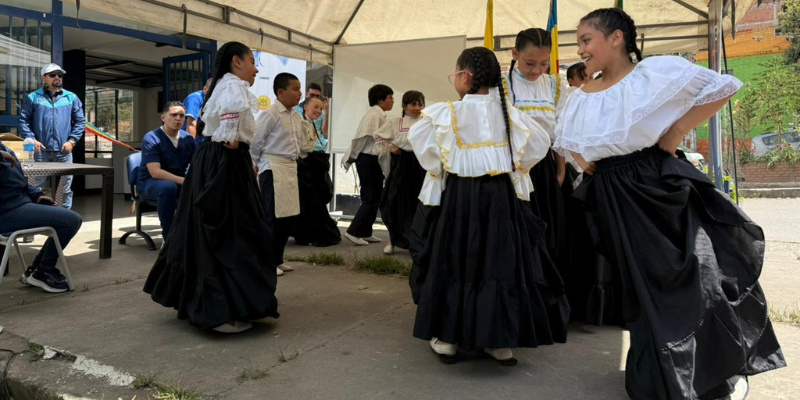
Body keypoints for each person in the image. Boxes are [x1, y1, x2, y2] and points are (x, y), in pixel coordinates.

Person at [554, 8, 785, 399]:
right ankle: (659, 376)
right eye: (578, 42)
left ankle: (716, 373)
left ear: (616, 39)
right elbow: (567, 140)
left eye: (586, 39)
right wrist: (584, 159)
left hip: (657, 184)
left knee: (693, 275)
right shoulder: (579, 97)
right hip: (613, 194)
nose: (581, 49)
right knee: (642, 286)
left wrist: (678, 130)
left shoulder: (651, 74)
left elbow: (724, 86)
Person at [408, 47, 568, 366]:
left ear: (465, 76)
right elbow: (537, 143)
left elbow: (423, 145)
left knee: (456, 260)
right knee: (500, 263)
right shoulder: (509, 114)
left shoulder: (447, 113)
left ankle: (450, 338)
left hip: (459, 198)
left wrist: (449, 162)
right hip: (500, 198)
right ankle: (498, 340)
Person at [144, 41, 279, 334]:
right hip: (225, 163)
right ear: (237, 61)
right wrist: (237, 147)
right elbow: (230, 137)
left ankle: (229, 303)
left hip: (220, 162)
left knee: (223, 230)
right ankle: (221, 309)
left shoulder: (225, 84)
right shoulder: (233, 86)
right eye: (252, 62)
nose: (256, 68)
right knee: (228, 231)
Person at [504, 28, 572, 298]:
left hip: (543, 167)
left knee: (548, 228)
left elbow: (560, 131)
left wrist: (561, 168)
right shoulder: (503, 84)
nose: (536, 70)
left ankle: (544, 293)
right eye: (529, 63)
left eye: (543, 63)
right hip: (514, 166)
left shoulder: (555, 85)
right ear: (514, 54)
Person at [1, 143, 82, 293]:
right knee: (71, 220)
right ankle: (44, 270)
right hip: (6, 212)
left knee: (69, 219)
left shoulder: (5, 148)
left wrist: (38, 196)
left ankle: (37, 270)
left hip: (19, 205)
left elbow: (22, 184)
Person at [251, 73, 304, 276]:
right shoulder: (271, 113)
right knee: (272, 216)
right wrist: (255, 163)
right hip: (272, 166)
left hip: (290, 167)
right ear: (281, 92)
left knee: (287, 216)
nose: (299, 93)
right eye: (295, 89)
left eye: (300, 89)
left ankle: (278, 258)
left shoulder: (295, 115)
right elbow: (257, 141)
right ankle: (266, 261)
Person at [18, 63, 86, 209]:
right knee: (35, 188)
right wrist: (32, 139)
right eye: (53, 75)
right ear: (44, 78)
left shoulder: (71, 97)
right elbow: (23, 121)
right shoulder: (33, 97)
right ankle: (35, 220)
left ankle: (63, 219)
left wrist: (72, 141)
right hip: (39, 152)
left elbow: (80, 121)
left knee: (64, 189)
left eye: (59, 75)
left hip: (64, 152)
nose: (57, 77)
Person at [341, 84, 394, 246]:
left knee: (374, 197)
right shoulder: (373, 115)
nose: (393, 101)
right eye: (390, 98)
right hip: (367, 159)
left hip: (373, 160)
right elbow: (361, 138)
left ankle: (365, 231)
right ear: (380, 99)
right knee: (371, 197)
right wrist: (352, 157)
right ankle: (353, 231)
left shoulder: (380, 115)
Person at [137, 102, 197, 242]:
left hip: (179, 182)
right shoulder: (152, 137)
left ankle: (195, 235)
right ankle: (169, 238)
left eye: (181, 116)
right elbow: (155, 172)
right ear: (163, 117)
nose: (178, 119)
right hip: (150, 183)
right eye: (173, 115)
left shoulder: (187, 138)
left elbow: (197, 165)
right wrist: (185, 181)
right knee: (168, 187)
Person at [375, 90, 426, 255]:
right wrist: (392, 148)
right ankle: (392, 240)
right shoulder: (394, 122)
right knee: (393, 202)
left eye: (420, 104)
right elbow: (378, 136)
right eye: (413, 104)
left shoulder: (427, 122)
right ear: (404, 106)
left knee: (419, 204)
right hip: (401, 166)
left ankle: (418, 241)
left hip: (421, 166)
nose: (417, 107)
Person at [291, 96, 342, 247]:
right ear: (305, 107)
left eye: (321, 108)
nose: (319, 111)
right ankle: (307, 234)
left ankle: (308, 234)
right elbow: (301, 146)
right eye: (316, 107)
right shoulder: (300, 123)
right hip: (306, 168)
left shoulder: (310, 123)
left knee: (315, 201)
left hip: (314, 166)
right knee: (309, 202)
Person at [182, 78, 214, 145]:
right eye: (212, 91)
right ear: (205, 89)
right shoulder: (194, 99)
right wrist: (191, 148)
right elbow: (191, 124)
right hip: (189, 139)